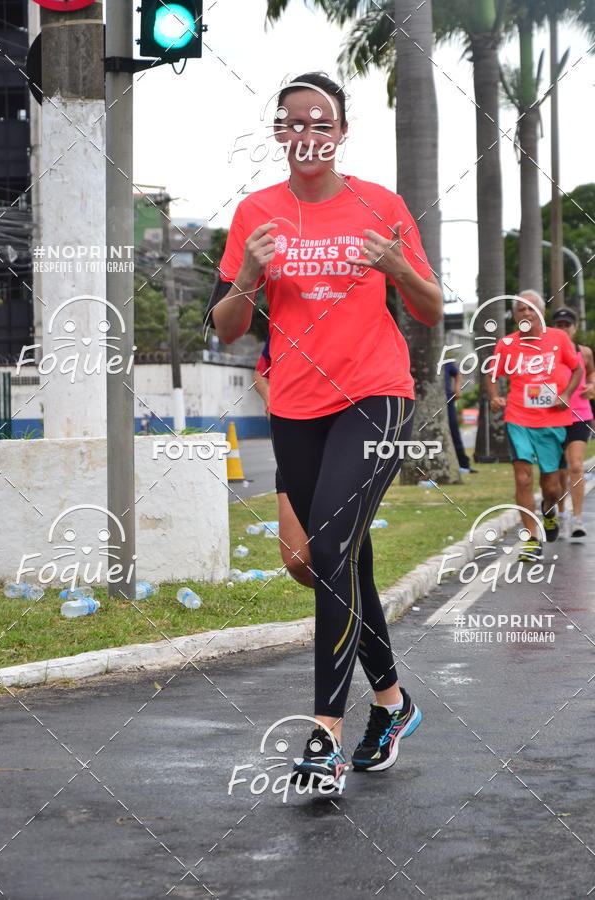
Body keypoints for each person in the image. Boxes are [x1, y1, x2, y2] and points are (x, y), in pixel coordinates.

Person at [205, 72, 442, 789]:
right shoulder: (256, 212)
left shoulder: (381, 204)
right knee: (332, 563)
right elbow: (227, 328)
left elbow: (430, 308)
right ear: (280, 133)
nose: (308, 133)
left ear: (340, 133)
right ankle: (393, 703)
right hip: (296, 408)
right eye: (293, 122)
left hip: (376, 395)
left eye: (322, 122)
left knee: (333, 547)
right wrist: (247, 270)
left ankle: (323, 737)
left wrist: (398, 265)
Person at [485, 290, 582, 562]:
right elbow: (492, 374)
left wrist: (567, 395)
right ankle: (531, 538)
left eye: (531, 309)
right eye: (520, 309)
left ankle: (549, 512)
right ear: (514, 316)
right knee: (523, 477)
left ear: (540, 313)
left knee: (551, 488)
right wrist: (494, 396)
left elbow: (576, 369)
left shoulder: (559, 339)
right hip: (518, 418)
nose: (526, 313)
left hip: (553, 421)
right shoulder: (507, 344)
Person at [253, 335, 313, 586]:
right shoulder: (287, 328)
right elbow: (261, 373)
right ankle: (340, 604)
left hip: (342, 448)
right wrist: (269, 396)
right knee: (297, 559)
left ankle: (347, 615)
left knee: (336, 551)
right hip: (294, 449)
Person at [551, 307, 595, 538]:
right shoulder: (546, 353)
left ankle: (577, 519)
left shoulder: (584, 352)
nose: (563, 329)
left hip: (580, 413)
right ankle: (561, 513)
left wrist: (591, 386)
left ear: (575, 328)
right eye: (559, 325)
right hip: (553, 415)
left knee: (576, 465)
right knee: (559, 471)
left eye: (567, 325)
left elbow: (590, 374)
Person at [443, 360, 478, 473]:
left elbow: (457, 374)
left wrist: (456, 389)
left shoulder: (445, 362)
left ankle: (464, 465)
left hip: (447, 402)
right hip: (428, 404)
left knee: (454, 433)